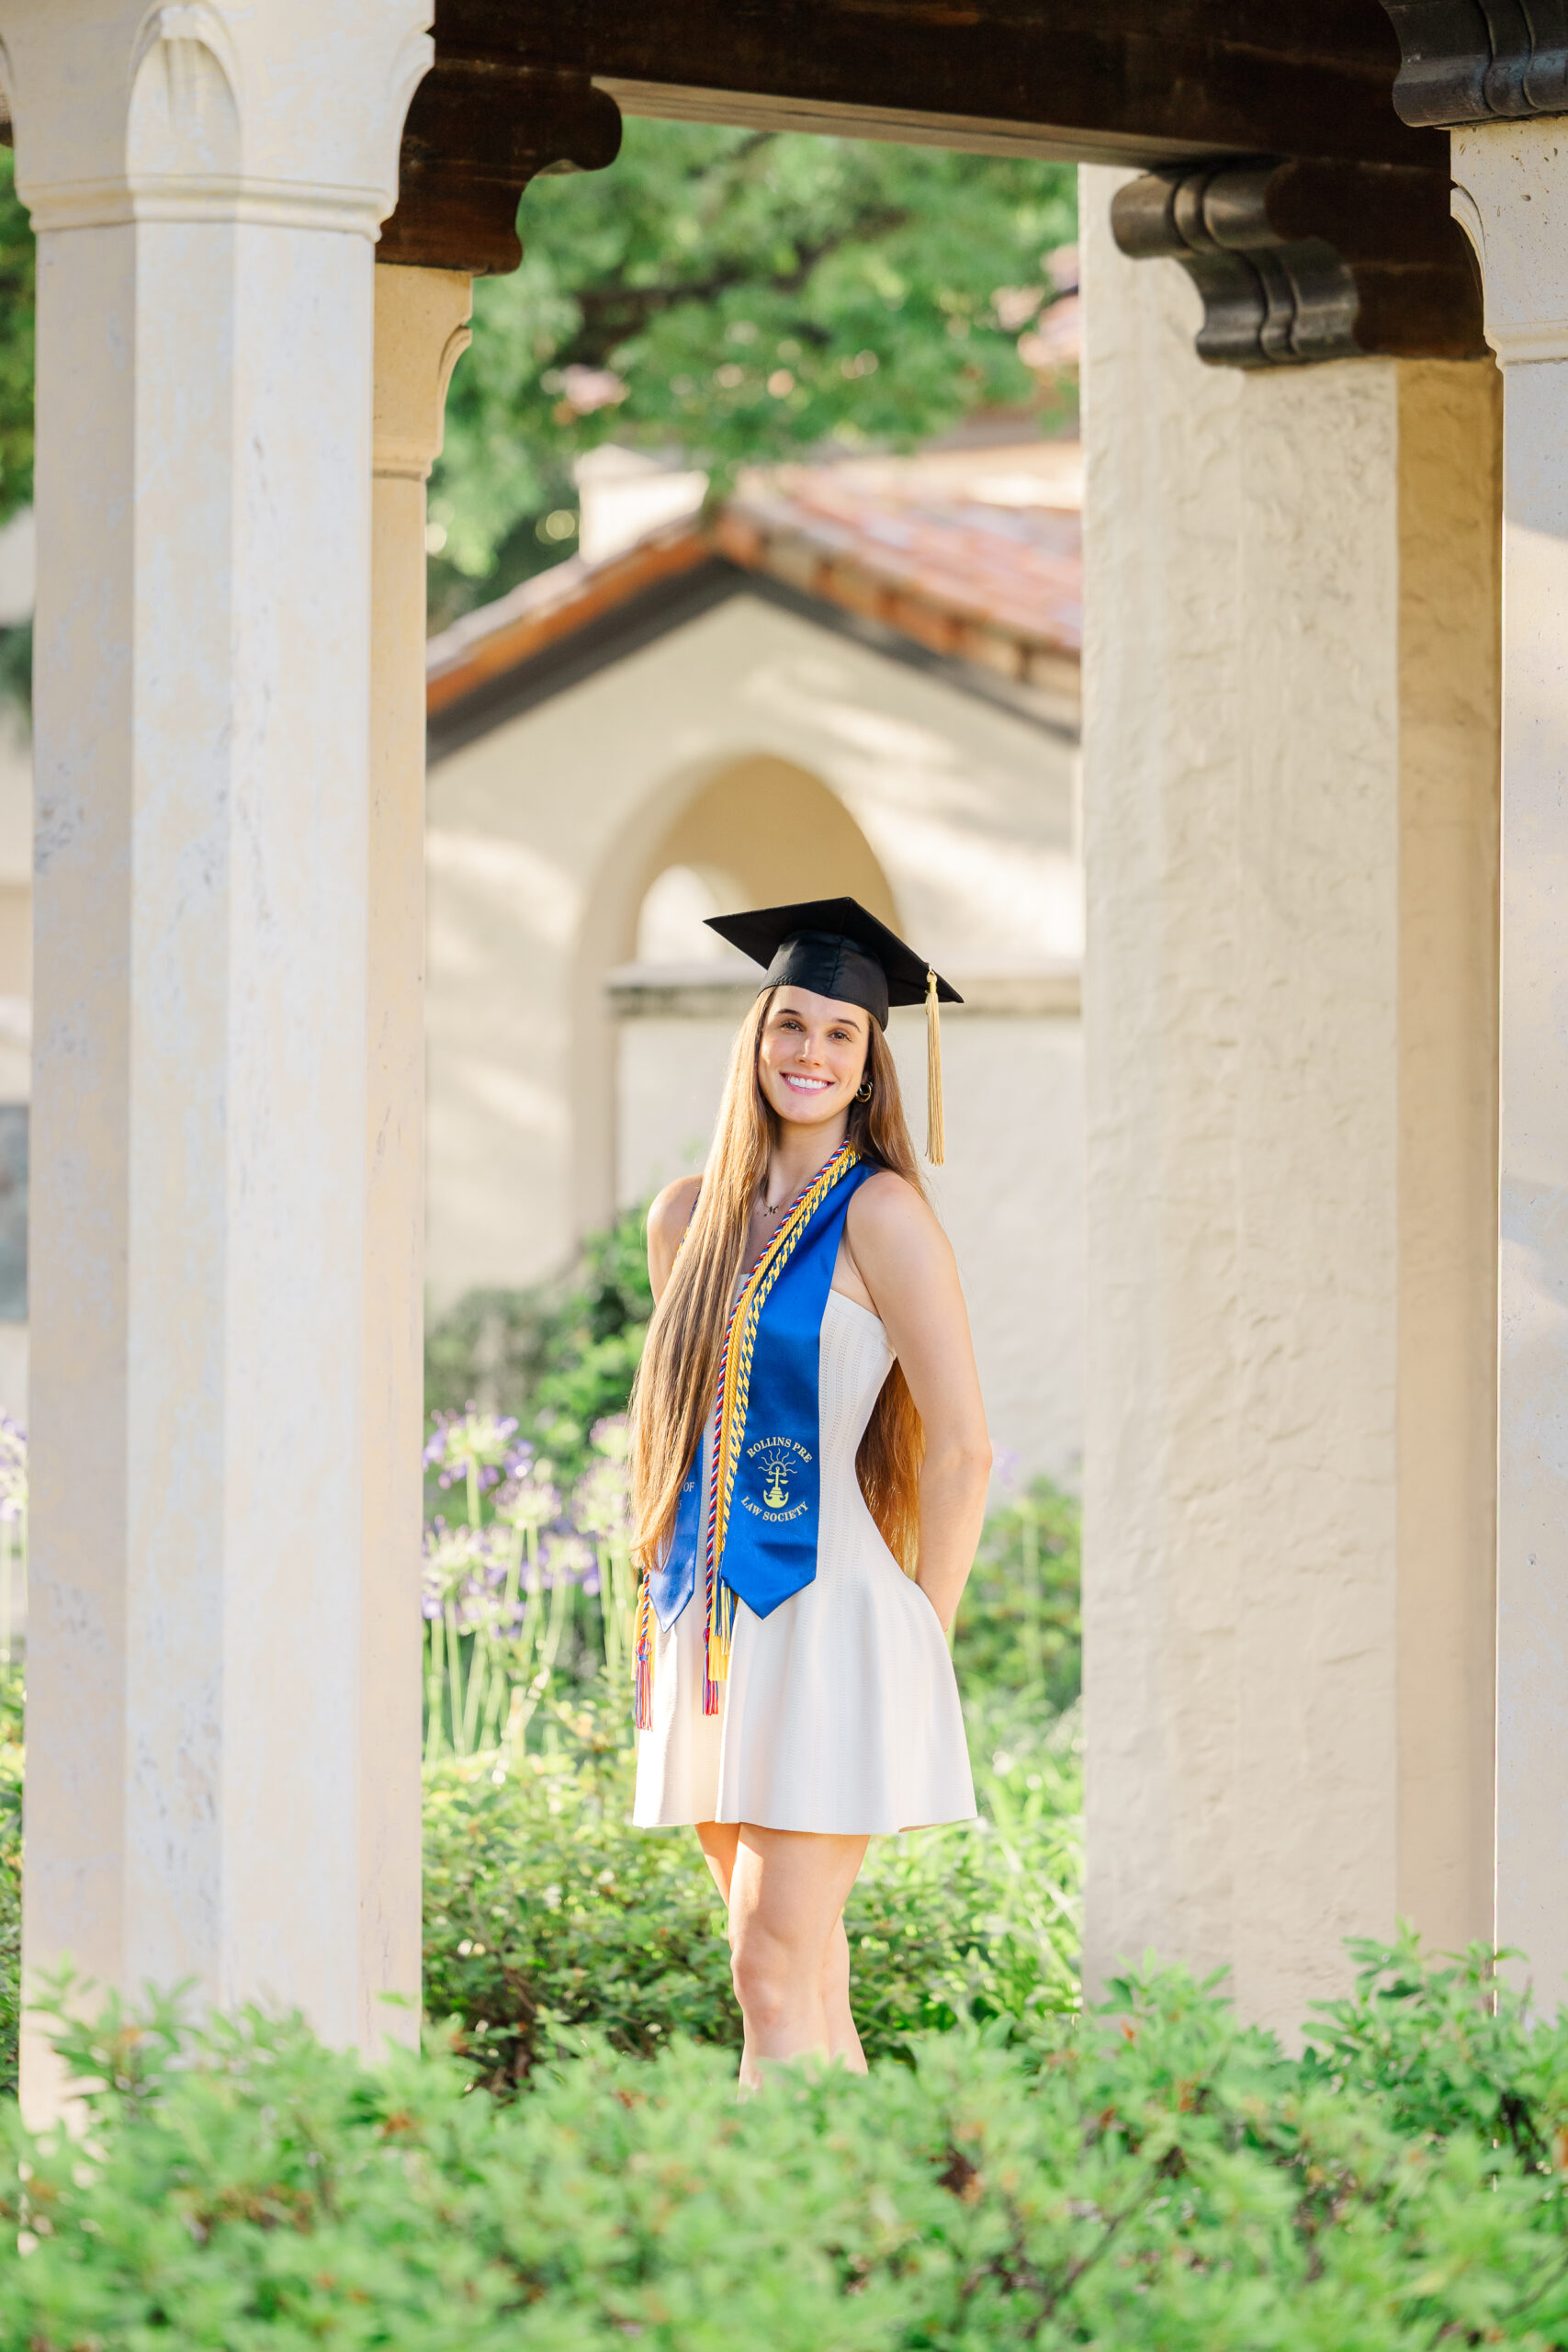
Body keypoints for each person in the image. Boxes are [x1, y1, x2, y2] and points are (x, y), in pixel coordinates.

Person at [628, 896, 991, 2089]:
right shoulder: (687, 1217)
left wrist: (918, 1639)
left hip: (836, 1624)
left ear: (872, 1063)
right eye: (793, 1024)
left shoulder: (882, 1216)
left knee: (769, 1967)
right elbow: (687, 1424)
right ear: (757, 1035)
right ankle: (864, 2230)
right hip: (712, 1628)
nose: (812, 1054)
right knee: (803, 1974)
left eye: (843, 1036)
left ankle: (759, 2242)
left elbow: (960, 1451)